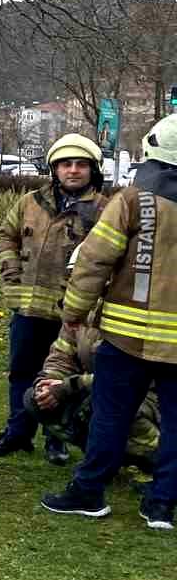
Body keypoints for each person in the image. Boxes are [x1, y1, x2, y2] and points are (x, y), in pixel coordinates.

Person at [41, 115, 177, 528]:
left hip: (124, 338)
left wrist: (74, 314)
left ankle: (88, 492)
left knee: (110, 414)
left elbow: (94, 261)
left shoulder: (133, 201)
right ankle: (161, 504)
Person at [0, 134, 105, 464]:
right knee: (21, 371)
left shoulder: (105, 211)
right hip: (28, 307)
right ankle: (17, 433)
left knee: (62, 376)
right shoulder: (30, 202)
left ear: (93, 169)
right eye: (66, 164)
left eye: (81, 165)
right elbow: (6, 235)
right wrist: (10, 270)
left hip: (72, 314)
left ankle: (57, 438)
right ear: (54, 169)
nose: (74, 171)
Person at [26, 303, 160, 475]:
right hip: (98, 388)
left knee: (107, 405)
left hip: (148, 396)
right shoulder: (82, 311)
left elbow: (124, 375)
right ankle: (103, 459)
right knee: (35, 399)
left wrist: (69, 386)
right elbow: (61, 355)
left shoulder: (135, 311)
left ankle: (158, 461)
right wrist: (49, 382)